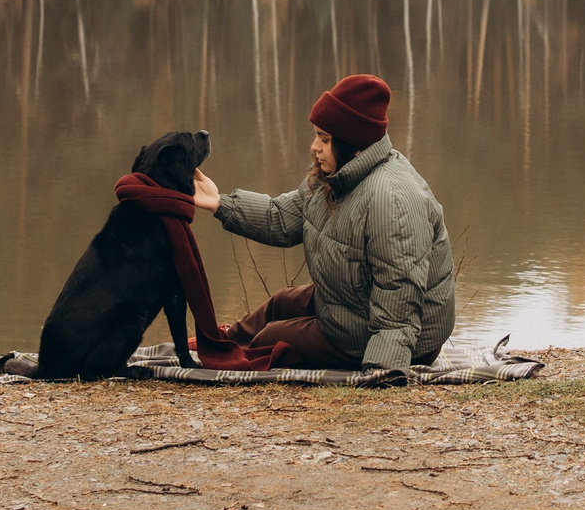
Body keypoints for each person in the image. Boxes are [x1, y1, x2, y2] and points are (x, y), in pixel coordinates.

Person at [191, 73, 455, 370]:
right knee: (281, 302)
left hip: (402, 341)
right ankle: (222, 341)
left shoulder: (391, 200)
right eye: (317, 135)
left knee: (272, 336)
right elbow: (281, 218)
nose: (315, 147)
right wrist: (219, 203)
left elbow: (400, 299)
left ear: (353, 143)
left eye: (324, 139)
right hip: (357, 305)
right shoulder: (335, 178)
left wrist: (383, 371)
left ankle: (236, 353)